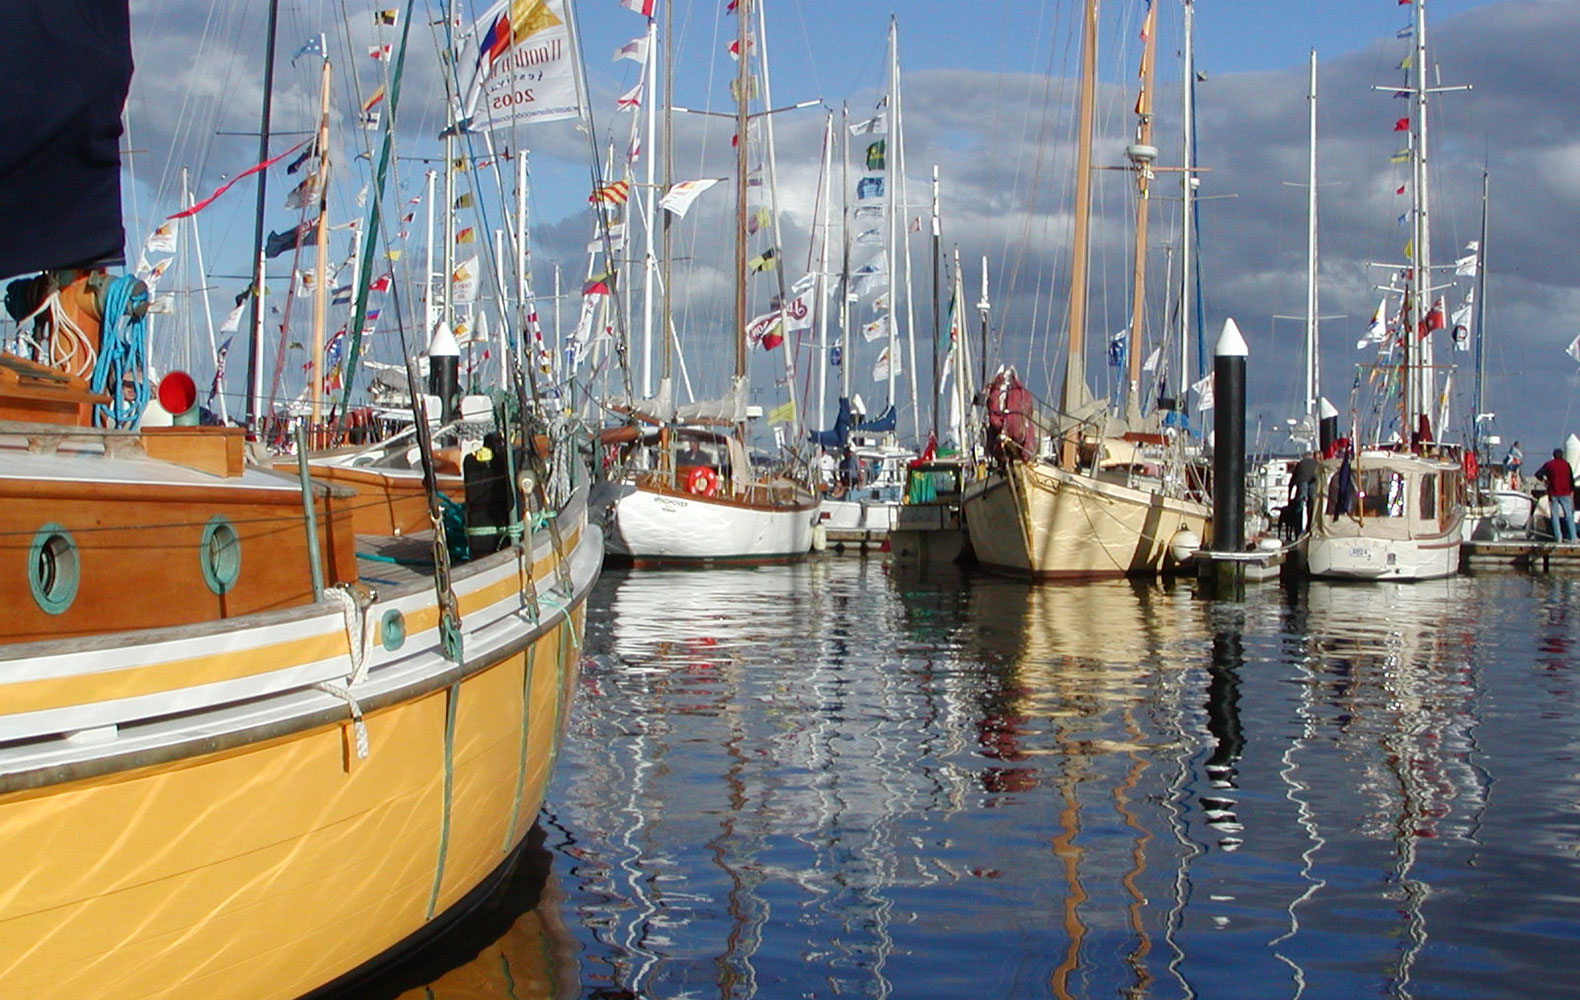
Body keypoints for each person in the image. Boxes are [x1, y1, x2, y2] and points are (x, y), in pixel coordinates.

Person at [1534, 447, 1576, 543]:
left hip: (1553, 492)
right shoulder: (1566, 464)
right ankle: (1573, 537)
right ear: (1562, 455)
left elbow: (1538, 474)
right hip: (1565, 492)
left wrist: (1545, 480)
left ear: (1554, 456)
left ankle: (1558, 537)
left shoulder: (1549, 465)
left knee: (1555, 516)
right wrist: (1572, 491)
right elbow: (1571, 479)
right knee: (1569, 516)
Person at [1288, 451, 1319, 535]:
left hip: (1302, 481)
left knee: (1300, 505)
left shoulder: (1300, 464)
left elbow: (1293, 480)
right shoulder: (1316, 463)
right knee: (1312, 505)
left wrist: (1289, 496)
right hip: (1313, 482)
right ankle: (1310, 527)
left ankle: (1298, 530)